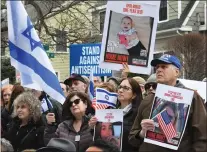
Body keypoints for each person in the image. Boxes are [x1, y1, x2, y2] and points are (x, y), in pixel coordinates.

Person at [129, 54, 207, 152]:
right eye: (157, 67)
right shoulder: (148, 99)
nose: (158, 70)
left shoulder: (191, 97)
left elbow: (202, 136)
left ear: (176, 72)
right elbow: (132, 138)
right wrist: (142, 133)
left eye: (164, 67)